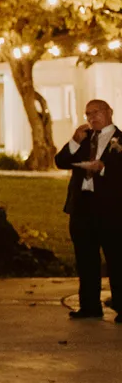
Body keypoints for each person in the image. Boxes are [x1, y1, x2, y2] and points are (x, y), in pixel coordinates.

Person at [55, 98, 121, 320]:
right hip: (82, 205)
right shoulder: (83, 140)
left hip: (111, 208)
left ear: (109, 112)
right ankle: (90, 306)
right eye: (88, 114)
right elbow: (61, 161)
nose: (92, 117)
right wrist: (74, 141)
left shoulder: (120, 140)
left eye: (97, 112)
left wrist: (103, 169)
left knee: (116, 257)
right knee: (85, 258)